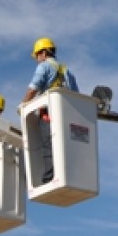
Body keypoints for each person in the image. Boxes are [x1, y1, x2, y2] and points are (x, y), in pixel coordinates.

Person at [21, 37, 78, 183]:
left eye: (37, 56)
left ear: (44, 53)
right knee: (64, 143)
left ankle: (50, 176)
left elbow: (33, 88)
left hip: (49, 113)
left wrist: (23, 106)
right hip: (67, 113)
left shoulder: (44, 66)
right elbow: (76, 95)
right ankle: (68, 172)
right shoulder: (67, 70)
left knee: (48, 144)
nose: (37, 60)